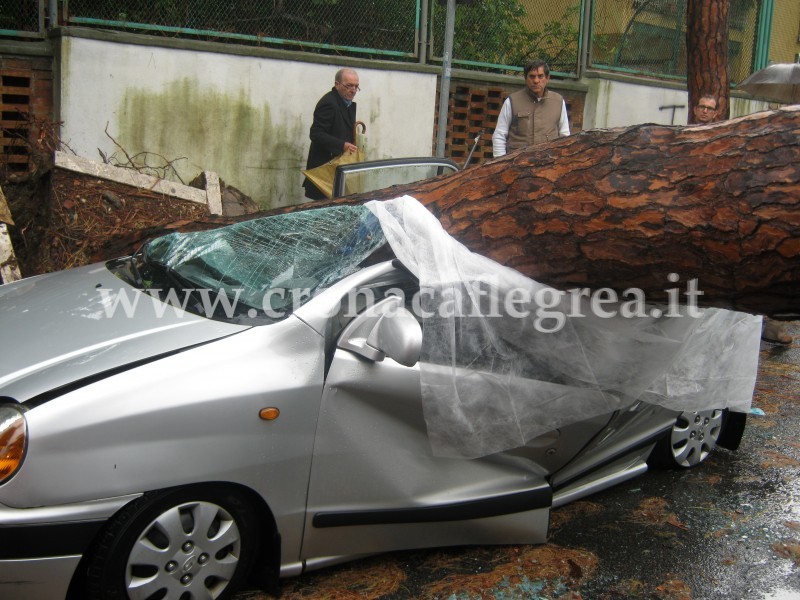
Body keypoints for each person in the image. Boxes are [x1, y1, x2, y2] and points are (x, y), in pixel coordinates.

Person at [690, 94, 793, 344]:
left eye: (709, 108)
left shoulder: (727, 139)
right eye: (701, 107)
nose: (705, 111)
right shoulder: (687, 135)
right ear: (695, 109)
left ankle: (770, 323)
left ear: (716, 112)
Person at [491, 59, 570, 158]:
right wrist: (500, 164)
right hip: (516, 164)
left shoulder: (558, 102)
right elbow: (499, 135)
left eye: (540, 76)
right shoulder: (512, 101)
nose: (536, 81)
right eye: (532, 76)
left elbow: (565, 136)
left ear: (547, 78)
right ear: (525, 78)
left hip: (548, 164)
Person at [303, 68, 360, 200]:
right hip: (324, 170)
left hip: (336, 169)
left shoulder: (345, 103)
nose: (353, 90)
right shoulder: (329, 103)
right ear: (337, 84)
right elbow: (316, 134)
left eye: (356, 86)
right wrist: (342, 145)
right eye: (349, 85)